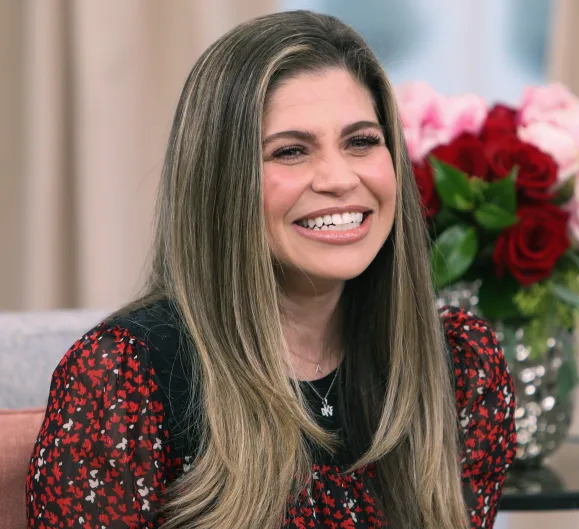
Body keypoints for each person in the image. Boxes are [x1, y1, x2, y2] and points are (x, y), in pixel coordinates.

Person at [25, 10, 516, 529]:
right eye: (291, 151)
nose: (338, 178)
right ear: (221, 185)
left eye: (362, 141)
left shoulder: (461, 367)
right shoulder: (123, 379)